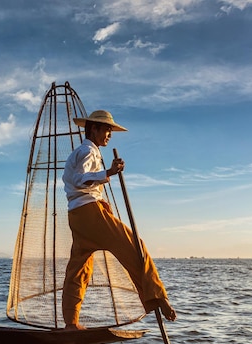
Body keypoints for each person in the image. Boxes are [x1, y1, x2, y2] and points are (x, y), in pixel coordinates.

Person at [61, 110, 176, 331]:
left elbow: (75, 179)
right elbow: (79, 179)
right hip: (89, 213)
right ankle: (157, 297)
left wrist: (105, 176)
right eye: (106, 130)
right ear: (93, 129)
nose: (109, 135)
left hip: (77, 215)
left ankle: (71, 322)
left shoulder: (82, 152)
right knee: (135, 247)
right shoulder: (88, 151)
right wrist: (110, 172)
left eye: (110, 131)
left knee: (79, 268)